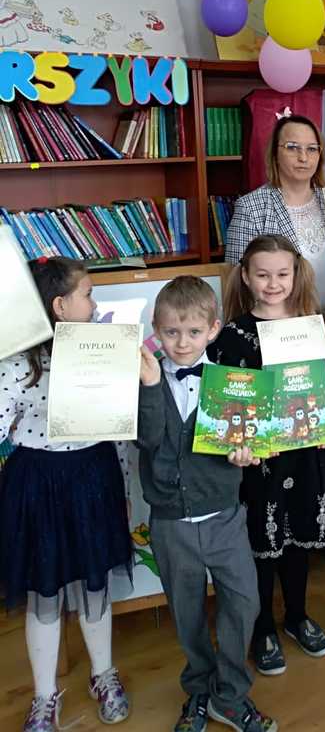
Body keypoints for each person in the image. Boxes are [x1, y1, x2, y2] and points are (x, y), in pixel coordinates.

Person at [137, 277, 276, 732]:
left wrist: (247, 455)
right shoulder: (145, 379)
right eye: (172, 332)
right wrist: (151, 386)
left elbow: (249, 443)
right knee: (187, 612)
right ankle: (198, 687)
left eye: (194, 332)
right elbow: (146, 440)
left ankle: (229, 695)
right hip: (171, 523)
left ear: (213, 330)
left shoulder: (232, 384)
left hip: (224, 517)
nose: (182, 343)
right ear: (156, 330)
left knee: (244, 602)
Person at [0, 257, 132, 732]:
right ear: (60, 306)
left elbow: (117, 426)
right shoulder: (17, 363)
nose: (95, 304)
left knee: (95, 583)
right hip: (39, 483)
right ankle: (43, 696)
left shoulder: (103, 350)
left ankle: (104, 674)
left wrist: (123, 484)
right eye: (88, 295)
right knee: (45, 591)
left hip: (93, 476)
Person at [212, 236, 325, 677]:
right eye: (263, 275)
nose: (273, 284)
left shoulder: (309, 325)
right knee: (262, 546)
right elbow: (227, 402)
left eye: (282, 274)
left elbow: (324, 384)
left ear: (296, 274)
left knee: (300, 540)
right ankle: (263, 626)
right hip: (260, 462)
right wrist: (236, 441)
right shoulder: (233, 334)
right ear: (246, 277)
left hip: (305, 453)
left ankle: (298, 616)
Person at [224, 114, 325, 309]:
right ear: (275, 154)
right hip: (283, 324)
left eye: (312, 149)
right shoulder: (250, 207)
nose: (303, 158)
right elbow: (237, 286)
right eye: (292, 147)